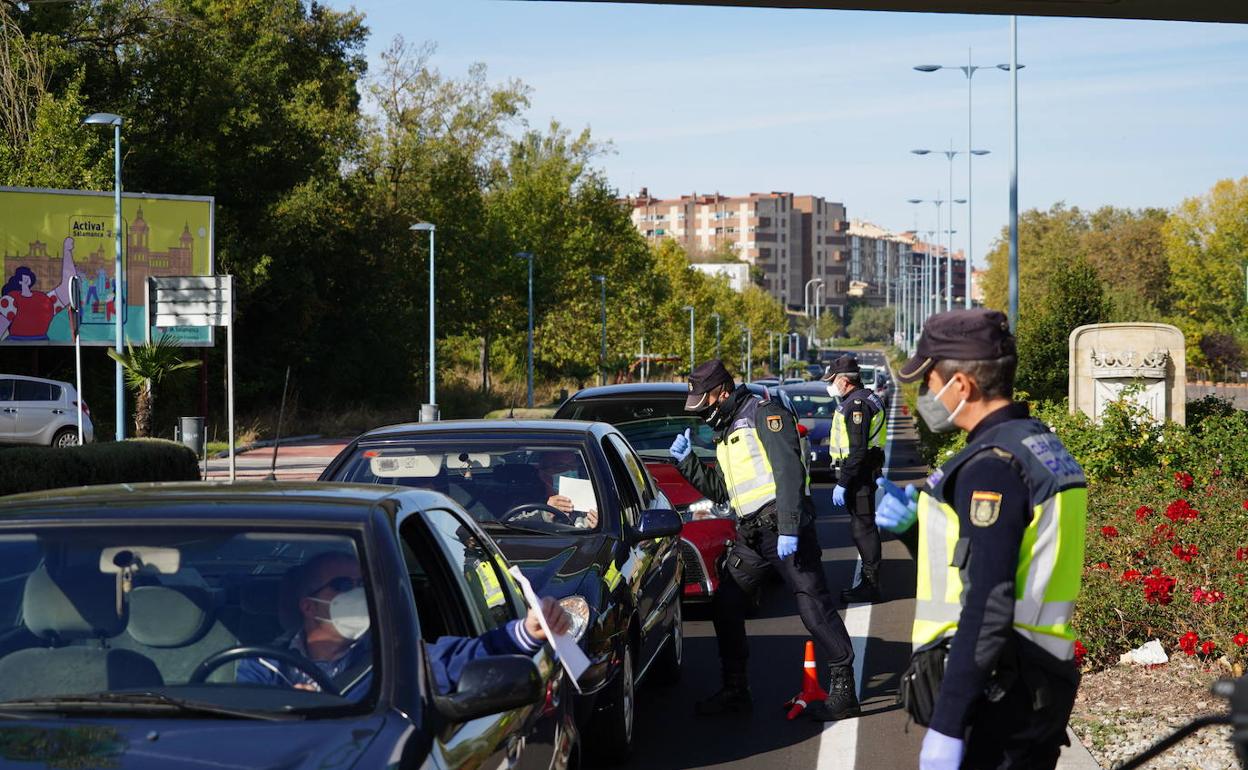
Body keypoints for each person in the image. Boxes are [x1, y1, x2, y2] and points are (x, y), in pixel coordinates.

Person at [876, 309, 1085, 770]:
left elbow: (988, 602)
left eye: (929, 381)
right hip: (1038, 679)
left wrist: (948, 725)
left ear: (962, 386)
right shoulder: (1038, 446)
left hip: (1000, 692)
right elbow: (995, 558)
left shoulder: (992, 466)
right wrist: (916, 532)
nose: (926, 393)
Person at [668, 359, 859, 721]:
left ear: (721, 393)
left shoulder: (763, 414)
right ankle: (736, 690)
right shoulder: (725, 431)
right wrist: (687, 463)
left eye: (704, 402)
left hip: (784, 529)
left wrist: (789, 527)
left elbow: (789, 470)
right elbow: (724, 492)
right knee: (726, 604)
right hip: (751, 534)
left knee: (813, 607)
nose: (702, 412)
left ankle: (844, 687)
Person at [237, 551, 572, 698]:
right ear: (309, 606)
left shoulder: (395, 658)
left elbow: (462, 658)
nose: (357, 594)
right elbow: (239, 724)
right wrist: (282, 705)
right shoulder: (261, 664)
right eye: (342, 585)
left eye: (362, 584)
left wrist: (527, 631)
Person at [822, 355, 887, 603]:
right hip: (862, 473)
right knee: (862, 528)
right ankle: (869, 581)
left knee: (863, 530)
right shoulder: (864, 397)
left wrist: (843, 482)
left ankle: (871, 585)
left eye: (833, 380)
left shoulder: (856, 405)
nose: (831, 385)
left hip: (858, 476)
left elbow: (858, 449)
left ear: (844, 380)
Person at [535, 449, 599, 529]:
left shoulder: (594, 499)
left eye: (573, 465)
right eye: (560, 466)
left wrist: (597, 524)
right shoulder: (529, 500)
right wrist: (546, 514)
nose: (570, 470)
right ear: (543, 474)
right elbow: (517, 525)